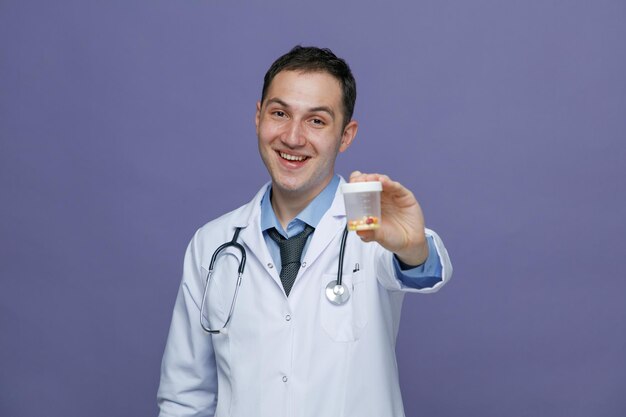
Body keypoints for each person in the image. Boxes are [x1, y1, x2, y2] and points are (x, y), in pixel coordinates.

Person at [157, 45, 452, 417]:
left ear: (346, 136)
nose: (293, 137)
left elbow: (421, 268)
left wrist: (413, 248)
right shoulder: (212, 244)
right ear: (258, 117)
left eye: (316, 121)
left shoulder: (374, 232)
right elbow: (185, 397)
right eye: (280, 114)